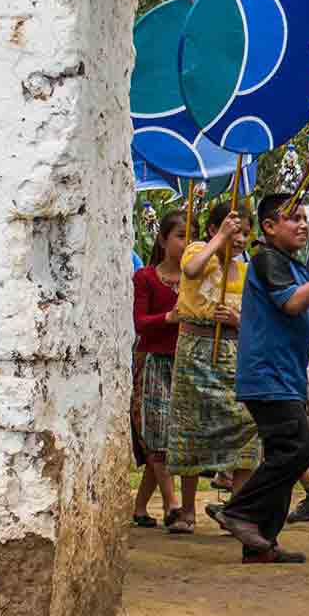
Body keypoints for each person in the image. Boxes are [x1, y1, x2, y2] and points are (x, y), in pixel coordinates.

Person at [211, 194, 309, 564]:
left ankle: (260, 544)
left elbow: (293, 315)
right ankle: (239, 511)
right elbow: (290, 303)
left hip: (283, 373)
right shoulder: (266, 259)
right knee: (300, 448)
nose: (302, 224)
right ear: (269, 227)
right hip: (266, 374)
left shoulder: (290, 264)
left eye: (305, 217)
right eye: (293, 218)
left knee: (283, 453)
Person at [166, 201, 262, 534]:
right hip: (195, 351)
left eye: (245, 234)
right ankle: (187, 511)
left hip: (232, 355)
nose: (239, 239)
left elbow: (256, 317)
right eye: (235, 231)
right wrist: (219, 240)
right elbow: (191, 271)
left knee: (246, 426)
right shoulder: (197, 251)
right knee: (190, 428)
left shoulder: (246, 271)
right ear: (214, 229)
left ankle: (235, 510)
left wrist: (237, 320)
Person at [131, 211, 184, 528]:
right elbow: (140, 324)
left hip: (183, 363)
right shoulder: (146, 278)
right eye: (179, 235)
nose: (186, 242)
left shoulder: (195, 278)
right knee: (157, 435)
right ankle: (173, 503)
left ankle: (140, 508)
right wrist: (168, 318)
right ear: (163, 239)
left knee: (167, 438)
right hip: (152, 362)